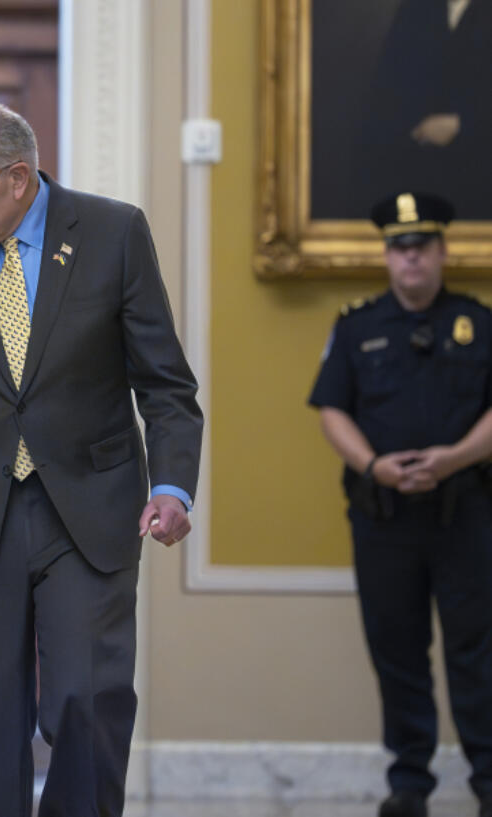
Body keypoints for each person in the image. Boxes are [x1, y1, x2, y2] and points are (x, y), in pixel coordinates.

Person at [0, 99, 203, 817]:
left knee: (89, 698)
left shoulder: (114, 233)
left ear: (17, 178)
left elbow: (166, 384)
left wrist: (174, 484)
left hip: (87, 506)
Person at [309, 192, 492, 817]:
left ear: (442, 252)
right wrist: (373, 466)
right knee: (397, 650)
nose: (410, 259)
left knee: (479, 651)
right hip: (384, 519)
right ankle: (409, 783)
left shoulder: (480, 321)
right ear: (388, 256)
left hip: (468, 513)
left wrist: (454, 458)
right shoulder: (357, 327)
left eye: (421, 247)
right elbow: (332, 410)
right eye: (399, 248)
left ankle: (488, 779)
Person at [355, 0, 492, 220]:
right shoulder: (417, 10)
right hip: (420, 175)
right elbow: (387, 94)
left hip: (481, 175)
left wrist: (463, 125)